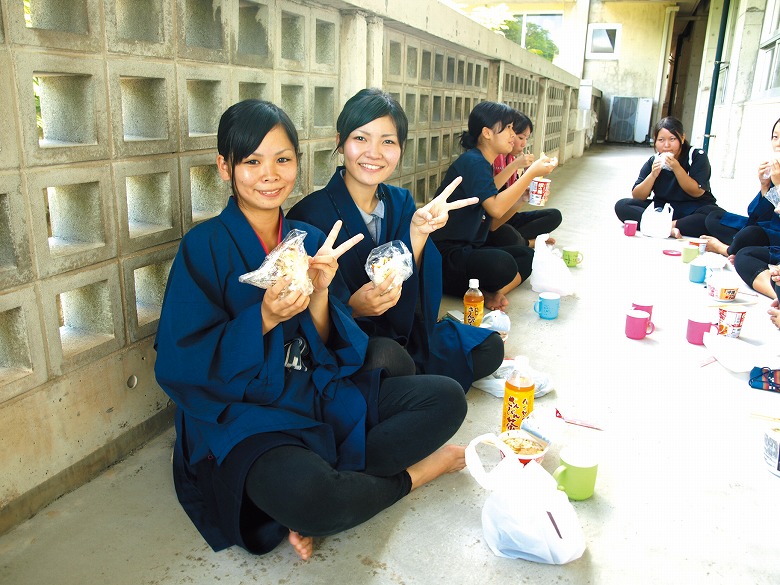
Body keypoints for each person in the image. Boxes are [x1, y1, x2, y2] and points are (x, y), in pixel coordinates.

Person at [154, 99, 468, 561]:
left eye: (283, 160)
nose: (270, 174)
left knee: (446, 398)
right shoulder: (204, 246)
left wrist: (321, 293)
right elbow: (181, 361)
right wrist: (264, 317)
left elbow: (329, 346)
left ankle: (328, 481)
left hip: (313, 391)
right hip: (245, 415)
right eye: (252, 162)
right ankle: (415, 473)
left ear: (297, 165)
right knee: (314, 499)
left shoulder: (306, 237)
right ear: (225, 167)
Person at [288, 88, 504, 391]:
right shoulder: (308, 215)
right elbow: (304, 321)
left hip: (405, 332)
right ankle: (413, 387)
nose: (374, 153)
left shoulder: (401, 201)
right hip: (351, 347)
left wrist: (417, 234)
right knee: (386, 358)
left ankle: (408, 387)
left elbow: (415, 292)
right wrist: (353, 308)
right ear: (340, 141)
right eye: (361, 138)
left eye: (387, 141)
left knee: (489, 345)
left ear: (400, 149)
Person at [430, 101, 557, 310]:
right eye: (507, 128)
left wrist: (520, 199)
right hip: (445, 255)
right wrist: (531, 173)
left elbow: (493, 223)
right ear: (487, 133)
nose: (513, 135)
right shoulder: (473, 162)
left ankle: (490, 294)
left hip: (469, 247)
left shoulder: (482, 164)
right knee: (502, 264)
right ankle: (470, 289)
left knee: (527, 256)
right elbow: (496, 208)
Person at [615, 116, 721, 237]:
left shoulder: (696, 155)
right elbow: (638, 196)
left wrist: (676, 168)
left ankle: (663, 226)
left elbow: (697, 192)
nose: (666, 145)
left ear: (682, 138)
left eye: (672, 139)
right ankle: (670, 227)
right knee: (622, 206)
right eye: (661, 140)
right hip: (664, 208)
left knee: (712, 216)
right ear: (655, 141)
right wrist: (653, 175)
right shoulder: (654, 160)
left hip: (693, 208)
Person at [700, 118, 780, 257]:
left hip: (775, 236)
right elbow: (757, 217)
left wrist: (778, 185)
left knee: (750, 234)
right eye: (775, 137)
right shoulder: (776, 171)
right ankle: (741, 245)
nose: (778, 144)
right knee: (714, 217)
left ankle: (725, 249)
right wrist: (764, 186)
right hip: (765, 228)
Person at [490, 110, 562, 248]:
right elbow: (491, 201)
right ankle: (526, 243)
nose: (523, 144)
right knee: (505, 233)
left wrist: (530, 176)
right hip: (491, 221)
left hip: (506, 216)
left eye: (526, 138)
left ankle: (516, 241)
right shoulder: (489, 160)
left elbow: (513, 197)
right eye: (520, 137)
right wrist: (523, 171)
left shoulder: (509, 158)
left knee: (554, 215)